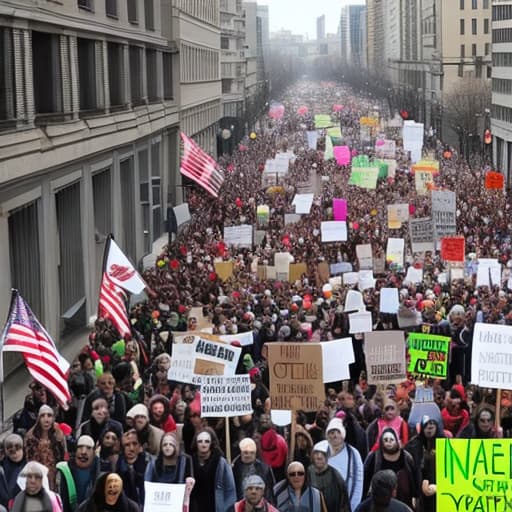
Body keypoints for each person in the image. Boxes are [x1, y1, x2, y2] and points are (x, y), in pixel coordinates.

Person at [363, 428, 418, 510]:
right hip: (380, 501)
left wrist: (415, 495)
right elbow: (366, 478)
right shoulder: (374, 457)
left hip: (404, 499)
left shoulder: (406, 457)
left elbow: (414, 477)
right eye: (385, 440)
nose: (388, 442)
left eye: (391, 439)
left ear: (396, 440)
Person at [319, 417, 363, 512]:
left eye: (337, 432)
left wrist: (353, 506)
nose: (335, 436)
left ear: (342, 434)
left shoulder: (353, 454)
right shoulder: (320, 450)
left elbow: (358, 482)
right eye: (332, 432)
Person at [189, 427, 236, 512]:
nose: (203, 444)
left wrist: (226, 508)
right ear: (196, 443)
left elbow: (230, 489)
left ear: (211, 443)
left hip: (216, 507)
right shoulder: (189, 462)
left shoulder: (221, 462)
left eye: (207, 441)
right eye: (200, 441)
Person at [24, 404, 67, 491]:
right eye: (43, 416)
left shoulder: (58, 434)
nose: (46, 419)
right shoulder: (31, 438)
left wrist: (60, 440)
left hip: (55, 477)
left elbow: (64, 457)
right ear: (38, 419)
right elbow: (29, 462)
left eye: (49, 416)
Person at [56, 435, 100, 512]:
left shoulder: (101, 472)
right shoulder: (64, 471)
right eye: (80, 447)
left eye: (88, 448)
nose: (83, 452)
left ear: (94, 452)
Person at [308, 442, 350, 512]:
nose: (319, 457)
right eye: (316, 453)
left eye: (323, 454)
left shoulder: (336, 477)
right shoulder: (306, 473)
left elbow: (344, 505)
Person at [231, 437, 275, 503]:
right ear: (241, 453)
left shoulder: (264, 469)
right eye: (246, 452)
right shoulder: (233, 469)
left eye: (251, 453)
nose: (248, 455)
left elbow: (269, 492)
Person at [115, 429, 151, 507]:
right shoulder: (118, 467)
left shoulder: (149, 466)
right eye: (127, 445)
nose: (131, 448)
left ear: (141, 447)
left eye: (134, 444)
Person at [1, 433, 25, 506]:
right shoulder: (3, 467)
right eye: (11, 451)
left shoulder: (30, 466)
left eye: (18, 449)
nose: (15, 454)